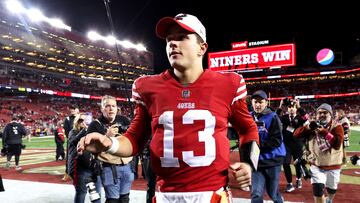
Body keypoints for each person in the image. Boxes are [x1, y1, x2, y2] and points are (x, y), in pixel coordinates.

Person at [78, 13, 259, 203]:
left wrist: (248, 163)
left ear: (202, 47)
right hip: (166, 196)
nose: (173, 43)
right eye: (169, 40)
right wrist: (110, 144)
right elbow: (135, 139)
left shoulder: (229, 84)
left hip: (212, 195)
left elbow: (247, 128)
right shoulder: (148, 87)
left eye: (181, 38)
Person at [86, 95, 134, 203]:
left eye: (113, 106)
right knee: (113, 200)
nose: (111, 108)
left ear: (117, 108)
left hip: (126, 165)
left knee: (125, 199)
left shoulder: (124, 120)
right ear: (102, 108)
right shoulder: (95, 125)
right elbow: (91, 149)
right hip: (109, 168)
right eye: (107, 106)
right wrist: (106, 137)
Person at [294, 103, 344, 203]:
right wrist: (307, 128)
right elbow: (296, 134)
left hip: (333, 165)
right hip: (316, 164)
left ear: (330, 114)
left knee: (331, 189)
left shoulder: (337, 127)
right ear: (316, 115)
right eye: (319, 113)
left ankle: (329, 199)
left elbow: (337, 144)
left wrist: (325, 132)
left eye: (325, 112)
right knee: (317, 189)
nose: (322, 115)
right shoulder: (313, 126)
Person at [250, 90, 286, 203]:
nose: (257, 105)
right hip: (257, 162)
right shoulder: (248, 117)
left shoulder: (273, 117)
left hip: (272, 161)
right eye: (255, 102)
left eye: (260, 102)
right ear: (251, 102)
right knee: (256, 194)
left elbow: (276, 141)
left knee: (273, 194)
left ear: (266, 103)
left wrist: (257, 146)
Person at [68, 113, 102, 203]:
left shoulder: (93, 132)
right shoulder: (73, 132)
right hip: (81, 167)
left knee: (96, 194)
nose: (83, 122)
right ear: (76, 122)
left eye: (85, 120)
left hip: (93, 166)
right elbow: (73, 142)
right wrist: (84, 130)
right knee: (81, 192)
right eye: (80, 120)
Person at [279, 98, 308, 192]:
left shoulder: (300, 118)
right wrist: (280, 106)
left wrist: (299, 106)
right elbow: (275, 117)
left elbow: (307, 120)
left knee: (297, 164)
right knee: (286, 163)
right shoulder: (284, 118)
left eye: (293, 107)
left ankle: (299, 179)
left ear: (296, 109)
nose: (291, 109)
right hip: (286, 145)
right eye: (289, 107)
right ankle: (289, 183)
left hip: (297, 145)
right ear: (287, 108)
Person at [63, 105, 80, 181]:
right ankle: (67, 174)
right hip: (71, 141)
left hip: (81, 140)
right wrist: (71, 138)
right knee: (69, 157)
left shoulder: (81, 118)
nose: (72, 110)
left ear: (77, 109)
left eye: (74, 109)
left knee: (82, 156)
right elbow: (66, 131)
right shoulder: (67, 119)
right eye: (71, 109)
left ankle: (80, 173)